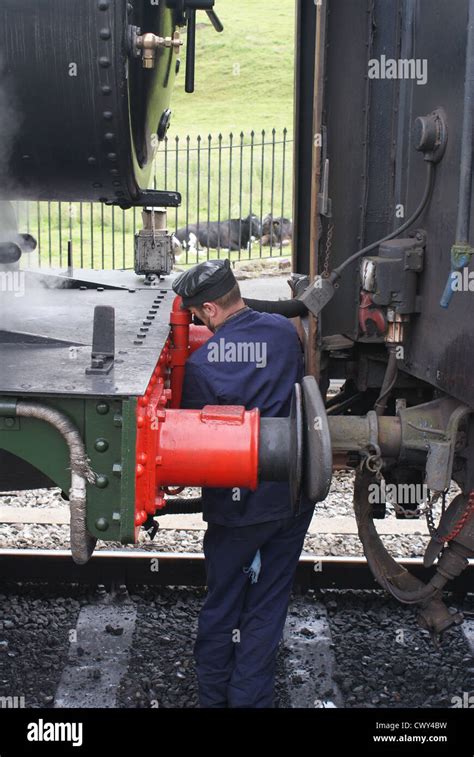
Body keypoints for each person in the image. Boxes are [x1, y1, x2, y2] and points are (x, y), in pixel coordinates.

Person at [172, 259, 314, 708]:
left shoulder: (199, 367)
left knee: (223, 604)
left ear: (210, 309)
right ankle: (251, 700)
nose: (196, 321)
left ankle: (214, 698)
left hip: (236, 510)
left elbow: (193, 448)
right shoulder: (283, 332)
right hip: (289, 498)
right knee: (267, 605)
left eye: (197, 315)